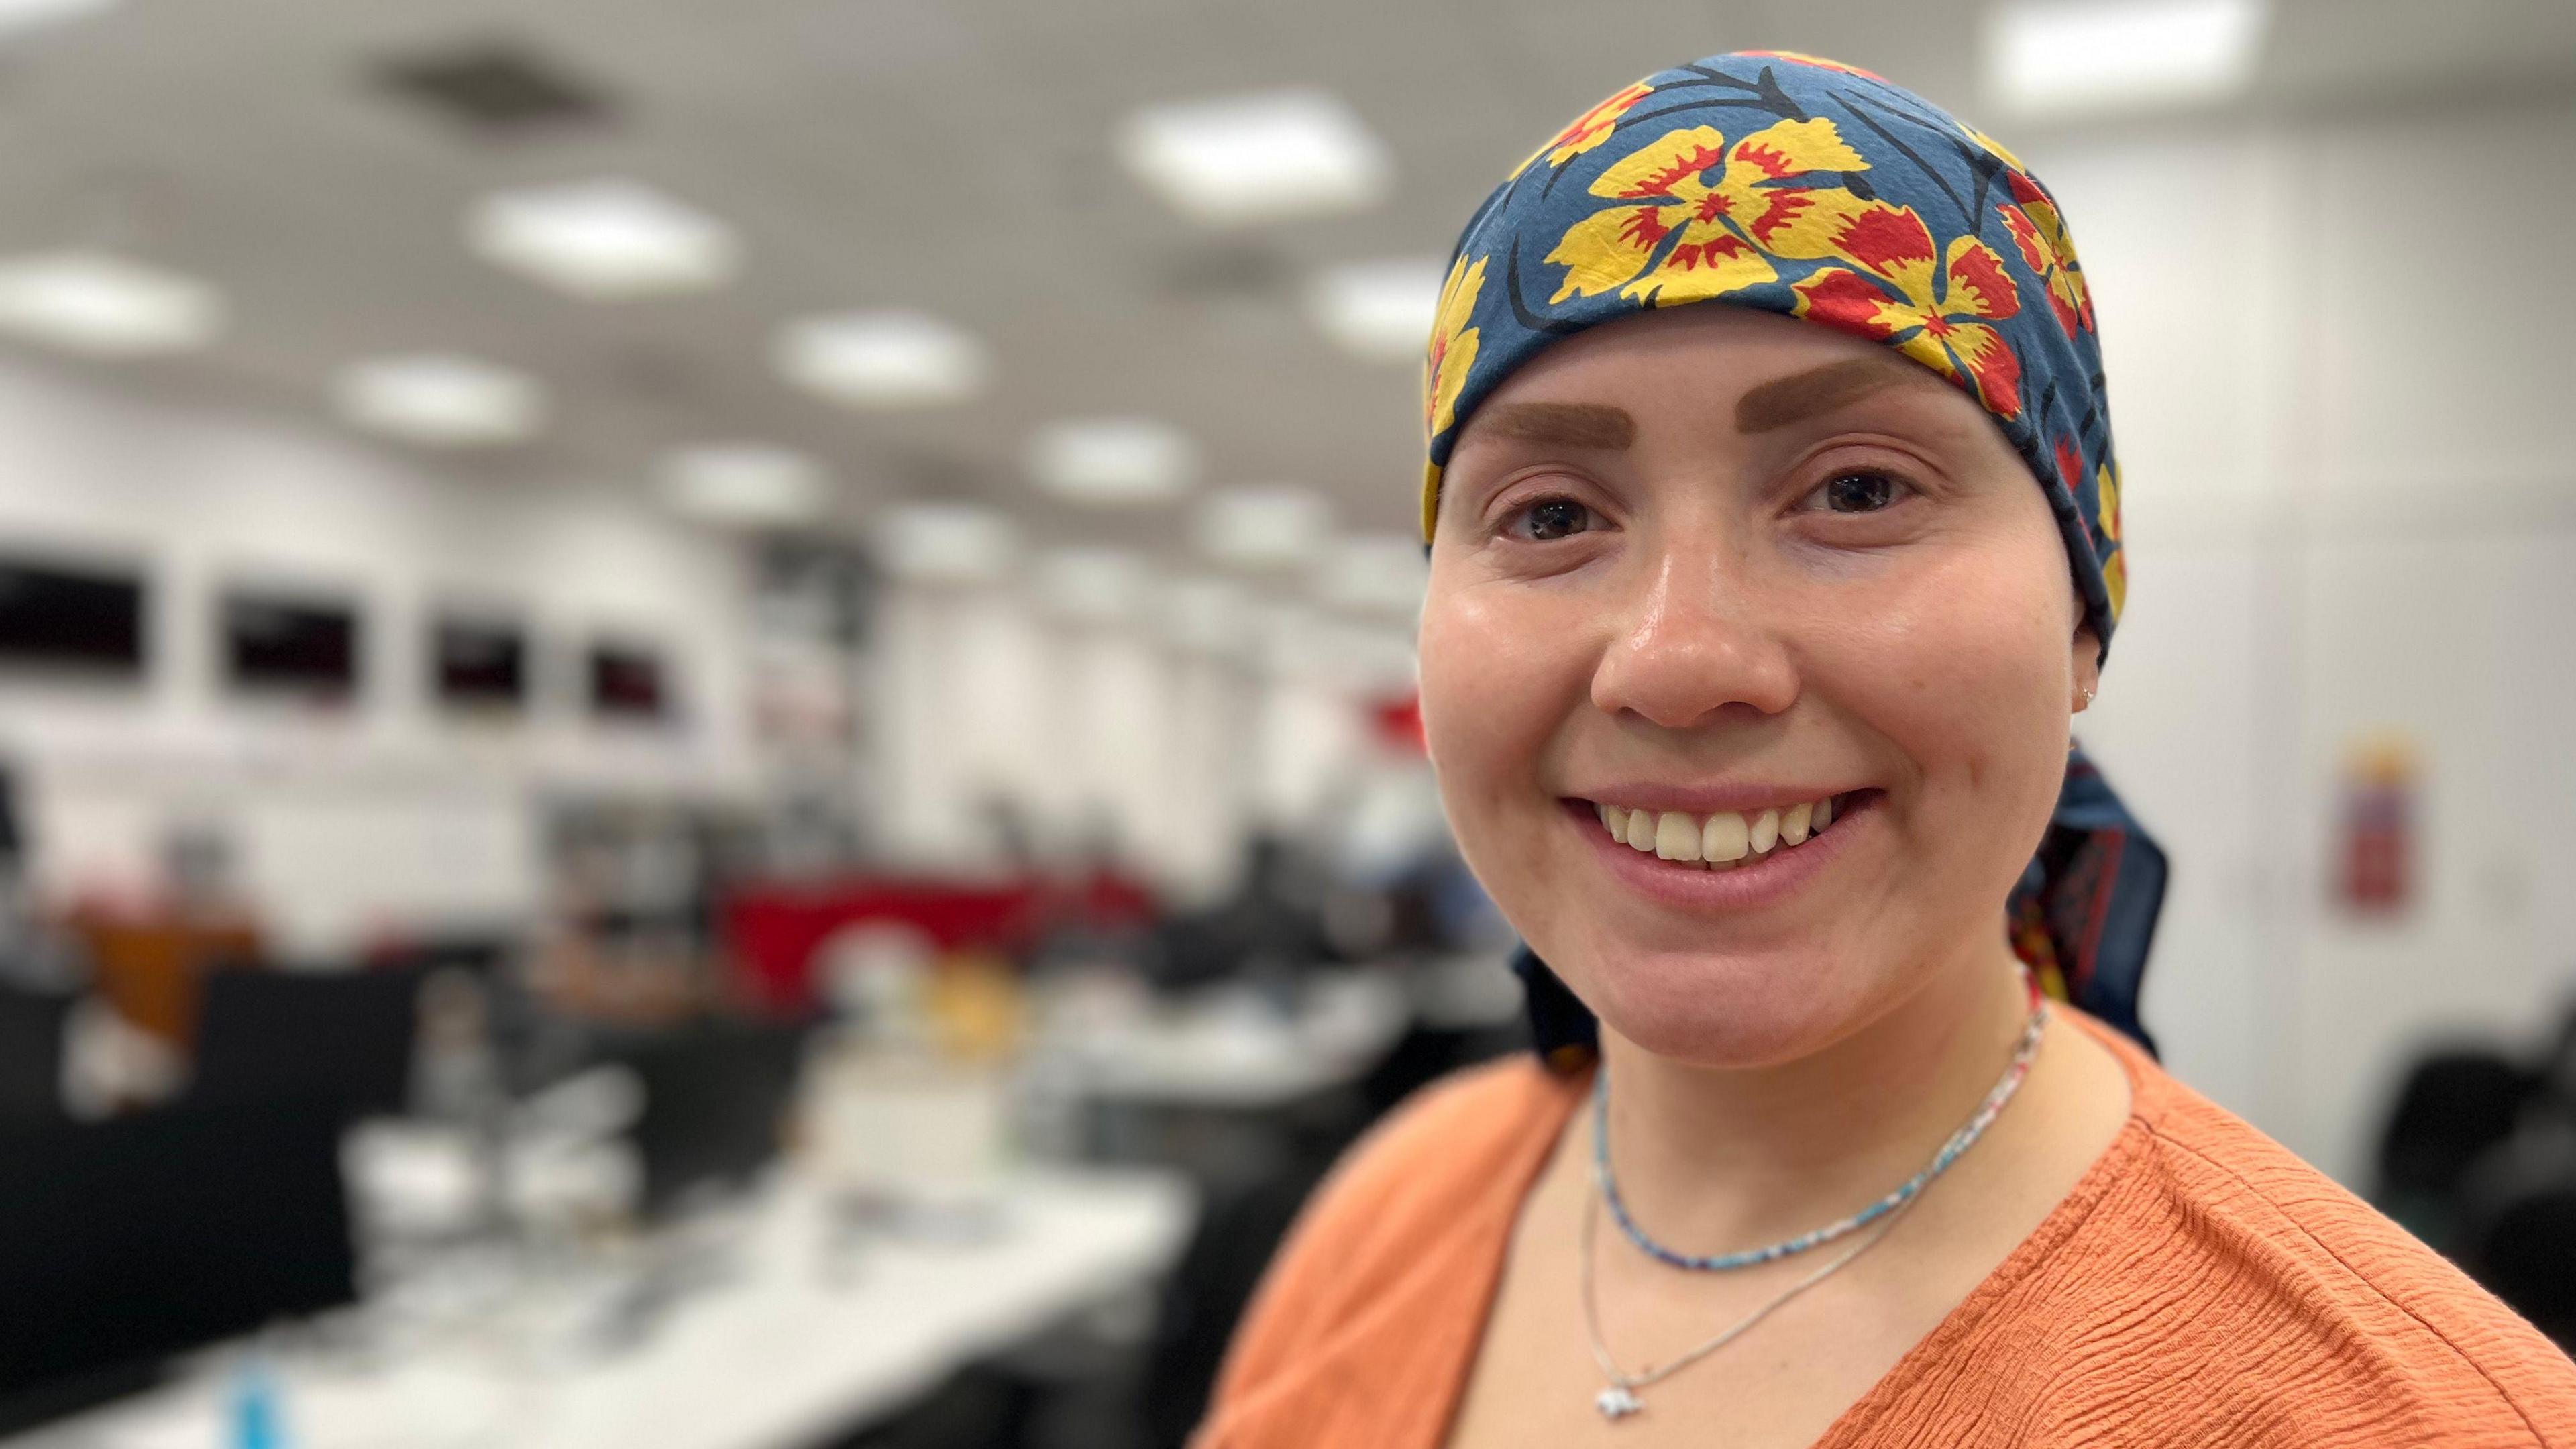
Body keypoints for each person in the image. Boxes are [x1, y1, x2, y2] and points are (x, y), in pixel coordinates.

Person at [1192, 52, 2576, 1448]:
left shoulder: (2404, 1414)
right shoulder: (1394, 1218)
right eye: (1550, 517)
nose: (1677, 662)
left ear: (2086, 619)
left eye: (1858, 490)